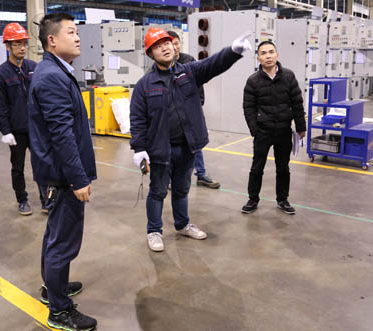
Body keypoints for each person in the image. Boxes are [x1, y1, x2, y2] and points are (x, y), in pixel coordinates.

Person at [130, 27, 253, 252]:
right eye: (158, 46)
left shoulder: (189, 72)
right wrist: (139, 148)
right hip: (160, 150)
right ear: (150, 54)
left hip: (187, 146)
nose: (165, 48)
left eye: (167, 43)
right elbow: (137, 119)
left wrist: (233, 51)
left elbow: (213, 64)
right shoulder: (144, 85)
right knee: (158, 191)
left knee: (181, 189)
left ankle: (182, 224)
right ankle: (154, 231)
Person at [28, 13, 97, 331]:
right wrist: (78, 178)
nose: (78, 37)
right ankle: (59, 310)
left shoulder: (55, 71)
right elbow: (62, 135)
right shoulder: (52, 77)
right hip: (63, 176)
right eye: (71, 32)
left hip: (57, 173)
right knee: (63, 242)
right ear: (52, 40)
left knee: (55, 236)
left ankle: (52, 287)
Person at [241, 40, 306, 215]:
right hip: (263, 131)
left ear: (277, 55)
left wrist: (301, 127)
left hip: (284, 130)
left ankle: (282, 200)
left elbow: (297, 102)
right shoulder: (253, 81)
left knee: (283, 168)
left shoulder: (288, 76)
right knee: (257, 167)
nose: (268, 56)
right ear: (258, 58)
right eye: (263, 53)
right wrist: (254, 130)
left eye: (271, 52)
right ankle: (253, 199)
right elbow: (248, 107)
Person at [0, 22, 47, 216]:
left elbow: (43, 97)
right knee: (18, 167)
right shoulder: (0, 74)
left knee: (42, 163)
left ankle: (46, 199)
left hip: (36, 128)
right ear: (7, 46)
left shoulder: (34, 68)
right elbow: (0, 107)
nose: (22, 48)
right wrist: (5, 131)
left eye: (24, 43)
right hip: (16, 132)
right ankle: (22, 200)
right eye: (17, 44)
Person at [168, 30, 220, 189]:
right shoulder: (162, 65)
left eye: (176, 43)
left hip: (190, 111)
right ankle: (168, 178)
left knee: (195, 143)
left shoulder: (188, 60)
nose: (174, 47)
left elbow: (198, 84)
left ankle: (201, 175)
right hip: (172, 116)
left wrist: (199, 102)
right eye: (171, 44)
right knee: (170, 146)